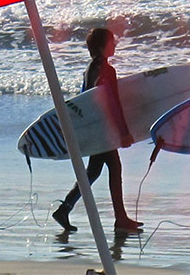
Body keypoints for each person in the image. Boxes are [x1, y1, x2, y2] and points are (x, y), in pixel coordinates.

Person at [52, 27, 144, 233]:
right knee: (113, 169)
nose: (115, 44)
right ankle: (120, 219)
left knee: (93, 172)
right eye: (112, 41)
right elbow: (112, 102)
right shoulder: (106, 70)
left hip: (94, 127)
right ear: (103, 45)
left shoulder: (90, 68)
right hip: (102, 129)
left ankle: (65, 209)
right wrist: (123, 131)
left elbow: (88, 99)